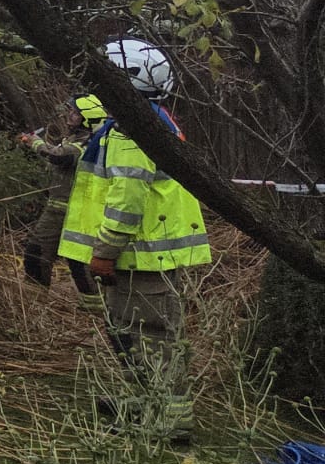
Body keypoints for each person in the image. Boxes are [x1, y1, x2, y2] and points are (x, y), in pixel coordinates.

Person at [65, 38, 210, 443]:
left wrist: (105, 251)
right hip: (143, 253)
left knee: (153, 335)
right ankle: (146, 403)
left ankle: (169, 419)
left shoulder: (131, 132)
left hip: (140, 253)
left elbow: (127, 199)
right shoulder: (148, 121)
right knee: (137, 332)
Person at [21, 94, 108, 314]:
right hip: (63, 210)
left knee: (54, 256)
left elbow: (61, 157)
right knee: (44, 255)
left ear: (87, 118)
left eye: (76, 113)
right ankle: (34, 306)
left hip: (70, 211)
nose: (70, 116)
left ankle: (96, 312)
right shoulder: (78, 140)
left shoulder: (88, 144)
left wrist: (36, 143)